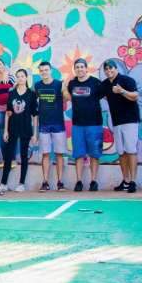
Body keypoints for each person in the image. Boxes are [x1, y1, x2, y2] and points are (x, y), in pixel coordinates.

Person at [62, 58, 103, 192]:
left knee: (94, 154)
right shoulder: (72, 83)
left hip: (94, 124)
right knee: (78, 154)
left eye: (82, 67)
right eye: (77, 67)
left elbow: (107, 95)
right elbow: (68, 97)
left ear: (86, 68)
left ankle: (94, 181)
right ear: (75, 69)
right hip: (77, 125)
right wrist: (64, 89)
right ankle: (79, 181)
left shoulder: (96, 83)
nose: (79, 69)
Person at [100, 59, 140, 193]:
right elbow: (97, 94)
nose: (108, 71)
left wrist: (122, 91)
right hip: (116, 122)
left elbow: (135, 96)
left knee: (131, 150)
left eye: (111, 68)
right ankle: (126, 181)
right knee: (121, 152)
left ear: (116, 68)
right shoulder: (105, 84)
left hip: (130, 121)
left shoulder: (126, 80)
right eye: (106, 69)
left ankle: (133, 181)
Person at [0, 69, 38, 192]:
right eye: (18, 76)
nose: (20, 78)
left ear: (26, 78)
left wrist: (34, 133)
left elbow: (35, 115)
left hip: (26, 128)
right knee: (8, 155)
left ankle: (21, 183)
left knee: (23, 156)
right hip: (12, 128)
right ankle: (3, 183)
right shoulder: (11, 93)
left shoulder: (31, 94)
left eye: (22, 76)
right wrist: (5, 130)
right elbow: (8, 113)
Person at [34, 61, 67, 192]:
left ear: (51, 70)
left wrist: (65, 89)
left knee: (59, 154)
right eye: (41, 71)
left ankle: (60, 182)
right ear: (39, 72)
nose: (44, 72)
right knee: (45, 155)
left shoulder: (59, 84)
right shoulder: (37, 86)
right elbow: (35, 105)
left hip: (58, 124)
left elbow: (67, 98)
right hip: (44, 125)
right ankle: (45, 182)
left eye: (46, 70)